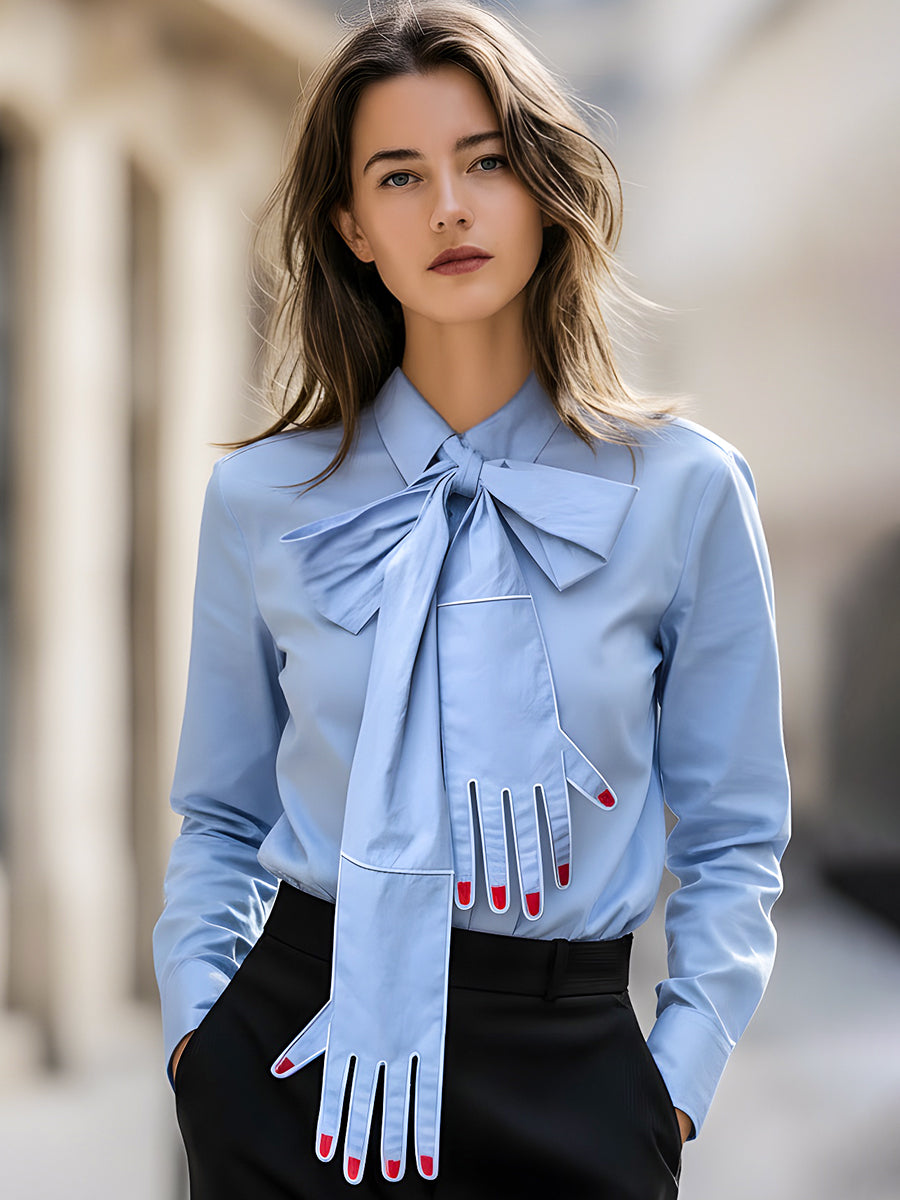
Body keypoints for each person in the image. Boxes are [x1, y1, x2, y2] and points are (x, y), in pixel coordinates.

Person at [152, 2, 791, 1197]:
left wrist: (674, 1089)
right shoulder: (259, 498)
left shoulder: (689, 493)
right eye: (401, 175)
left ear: (544, 190)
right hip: (296, 1061)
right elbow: (221, 818)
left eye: (486, 162)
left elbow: (732, 837)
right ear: (352, 227)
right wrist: (201, 1039)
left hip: (570, 1082)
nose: (448, 204)